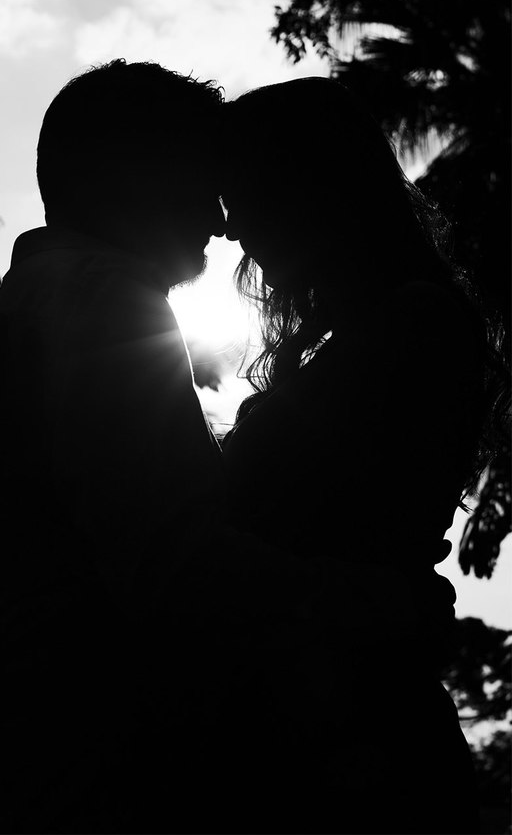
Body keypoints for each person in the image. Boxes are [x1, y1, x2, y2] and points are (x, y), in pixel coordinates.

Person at [0, 60, 460, 834]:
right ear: (136, 176)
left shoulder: (62, 295)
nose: (220, 218)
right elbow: (174, 566)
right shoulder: (102, 299)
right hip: (73, 766)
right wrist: (377, 602)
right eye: (201, 180)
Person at [217, 77, 503, 834]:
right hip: (334, 734)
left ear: (309, 185)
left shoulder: (418, 325)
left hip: (363, 752)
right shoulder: (380, 333)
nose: (234, 229)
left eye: (244, 195)